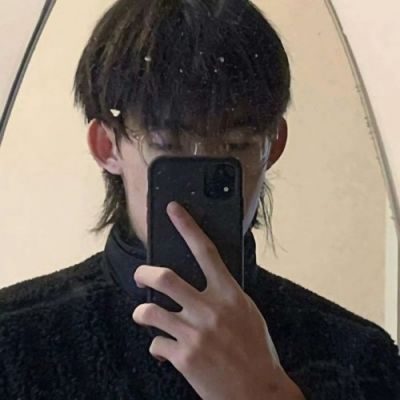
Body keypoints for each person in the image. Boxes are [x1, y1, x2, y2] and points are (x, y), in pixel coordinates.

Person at [1, 0, 399, 398]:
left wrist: (264, 392)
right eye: (167, 145)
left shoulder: (360, 358)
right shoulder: (13, 341)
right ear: (107, 146)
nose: (201, 167)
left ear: (273, 146)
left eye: (237, 144)